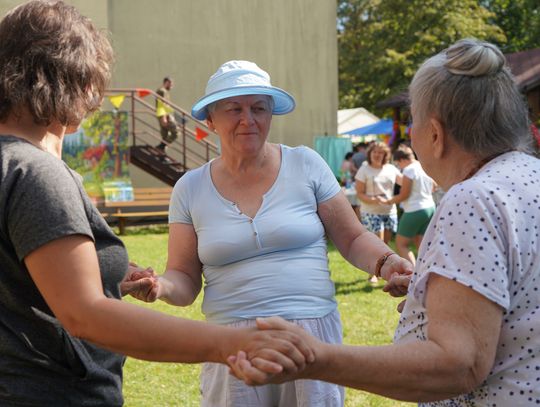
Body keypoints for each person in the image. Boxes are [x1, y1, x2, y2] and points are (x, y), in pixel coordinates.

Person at [0, 2, 315, 405]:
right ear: (74, 77)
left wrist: (103, 271)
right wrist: (234, 342)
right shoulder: (36, 172)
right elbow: (85, 315)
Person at [229, 38, 540, 406]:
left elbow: (458, 365)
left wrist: (316, 357)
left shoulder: (473, 199)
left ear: (435, 134)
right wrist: (434, 295)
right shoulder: (528, 176)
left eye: (413, 121)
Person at [127, 60, 412, 407]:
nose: (248, 119)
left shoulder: (306, 164)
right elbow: (184, 277)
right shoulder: (190, 188)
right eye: (234, 109)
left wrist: (387, 262)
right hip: (232, 345)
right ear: (211, 120)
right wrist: (159, 286)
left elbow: (352, 238)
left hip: (311, 335)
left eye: (259, 108)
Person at [378, 146, 435, 265]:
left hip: (415, 209)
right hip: (430, 207)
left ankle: (413, 273)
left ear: (402, 160)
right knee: (421, 244)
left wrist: (387, 201)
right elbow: (434, 186)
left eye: (398, 164)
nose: (399, 167)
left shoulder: (409, 170)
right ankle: (427, 271)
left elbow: (404, 195)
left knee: (401, 244)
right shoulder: (423, 165)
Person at [355, 141, 402, 281]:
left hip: (389, 211)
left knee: (385, 245)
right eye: (374, 152)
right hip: (371, 211)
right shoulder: (364, 169)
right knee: (378, 245)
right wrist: (374, 199)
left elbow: (406, 183)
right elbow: (359, 193)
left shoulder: (391, 169)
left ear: (385, 155)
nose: (377, 155)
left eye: (380, 152)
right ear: (370, 154)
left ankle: (383, 271)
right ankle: (373, 274)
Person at [155, 76, 178, 152]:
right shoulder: (162, 91)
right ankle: (162, 146)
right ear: (166, 82)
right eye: (170, 83)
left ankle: (161, 150)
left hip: (164, 114)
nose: (172, 85)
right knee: (176, 132)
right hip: (164, 115)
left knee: (165, 135)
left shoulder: (164, 91)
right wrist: (163, 117)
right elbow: (161, 104)